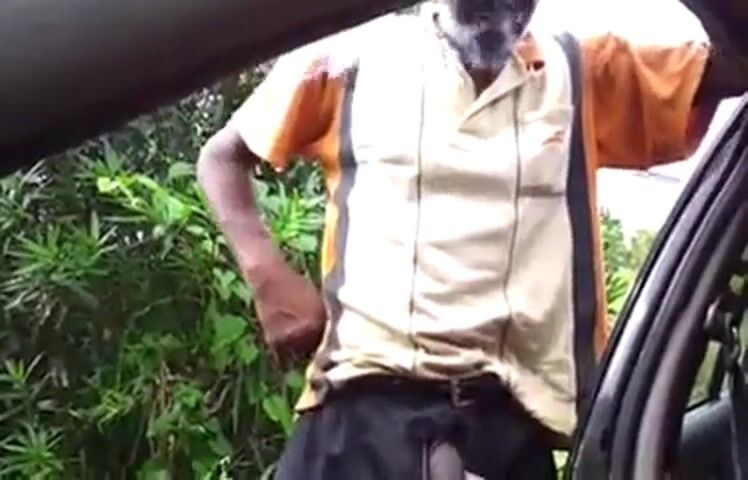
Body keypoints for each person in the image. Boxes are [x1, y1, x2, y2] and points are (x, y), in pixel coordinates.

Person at [197, 0, 746, 478]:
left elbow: (735, 64)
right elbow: (221, 158)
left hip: (507, 439)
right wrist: (267, 276)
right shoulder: (351, 57)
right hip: (359, 422)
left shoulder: (584, 71)